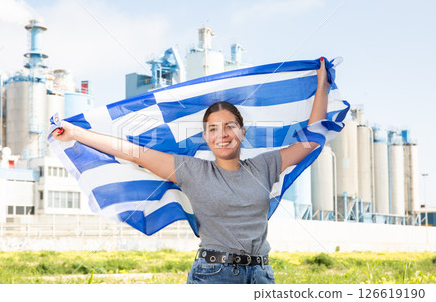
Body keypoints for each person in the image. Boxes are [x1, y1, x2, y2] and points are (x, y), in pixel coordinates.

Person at [51, 57, 330, 284]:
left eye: (230, 126)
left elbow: (312, 138)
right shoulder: (192, 171)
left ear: (243, 132)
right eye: (213, 129)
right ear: (206, 138)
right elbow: (130, 151)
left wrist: (322, 85)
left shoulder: (264, 166)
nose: (222, 134)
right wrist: (76, 133)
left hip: (261, 276)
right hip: (214, 276)